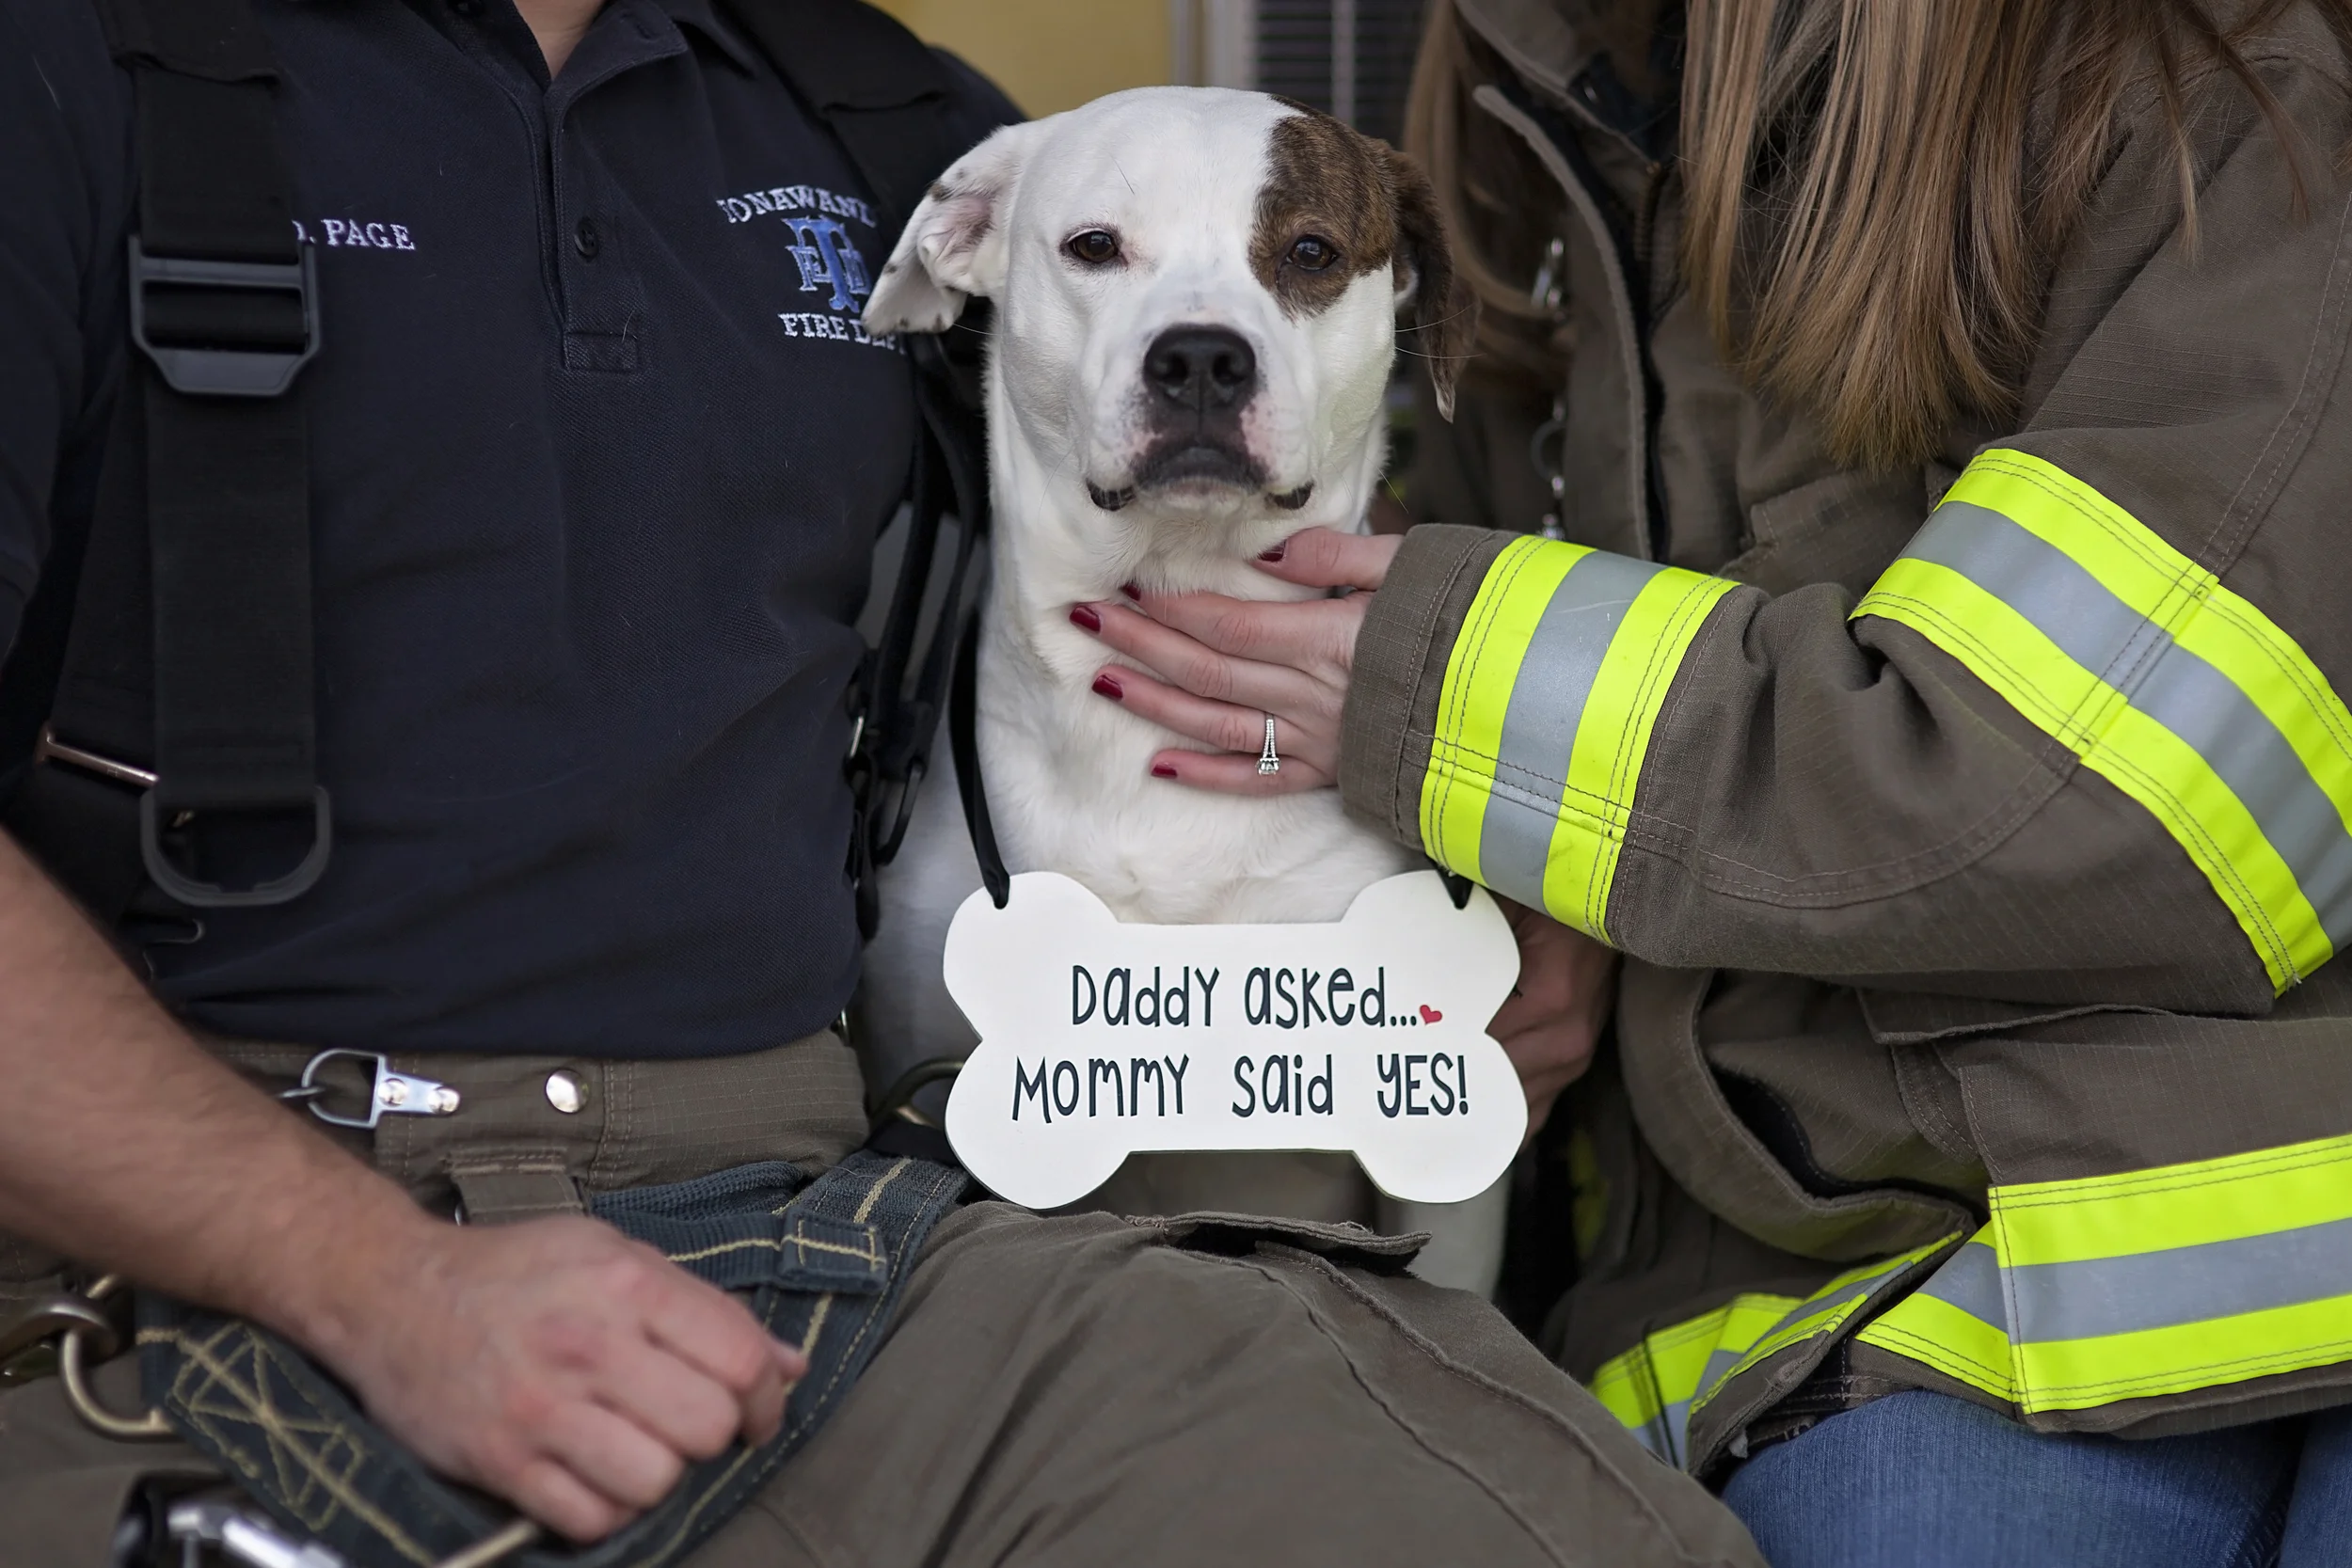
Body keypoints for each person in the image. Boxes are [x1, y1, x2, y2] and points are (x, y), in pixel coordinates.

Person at [0, 0, 1766, 1562]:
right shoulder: (71, 70)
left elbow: (1314, 457)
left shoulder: (873, 113)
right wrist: (369, 1278)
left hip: (845, 1226)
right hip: (203, 1239)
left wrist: (1494, 840)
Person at [1067, 1, 2352, 1563]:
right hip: (1780, 1319)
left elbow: (2132, 791)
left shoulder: (2216, 89)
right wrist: (1512, 906)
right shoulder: (1539, 106)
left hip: (2155, 1283)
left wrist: (1468, 709)